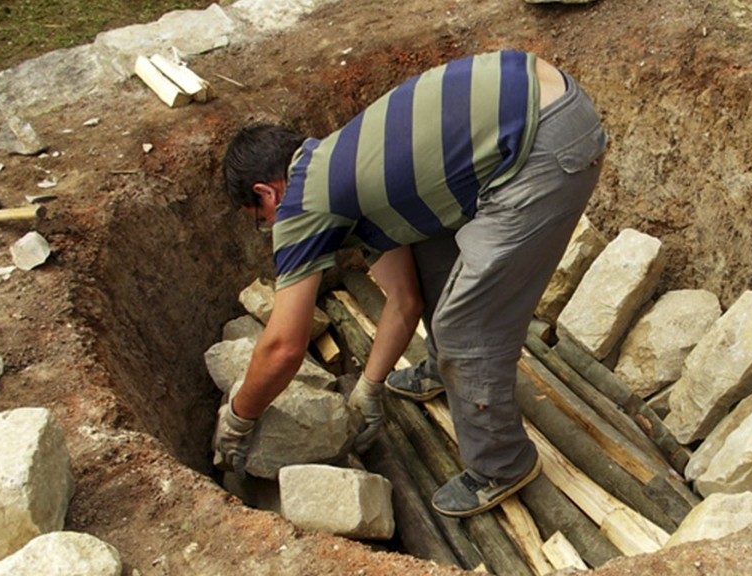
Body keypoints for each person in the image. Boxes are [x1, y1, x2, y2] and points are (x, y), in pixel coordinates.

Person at [212, 50, 606, 518]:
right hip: (535, 100)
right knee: (435, 254)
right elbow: (406, 297)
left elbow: (282, 348)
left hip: (542, 142)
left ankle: (502, 465)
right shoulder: (348, 168)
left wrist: (239, 417)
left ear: (266, 193)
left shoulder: (302, 202)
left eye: (263, 221)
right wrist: (370, 387)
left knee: (468, 326)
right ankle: (445, 370)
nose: (270, 229)